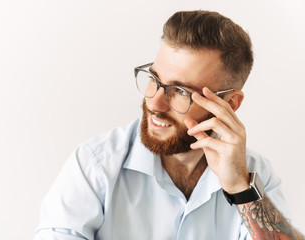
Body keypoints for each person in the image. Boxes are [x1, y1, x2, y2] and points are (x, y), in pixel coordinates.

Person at [34, 10, 304, 240]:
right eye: (154, 79)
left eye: (181, 92)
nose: (155, 103)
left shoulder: (254, 176)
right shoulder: (95, 166)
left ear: (230, 104)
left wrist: (241, 189)